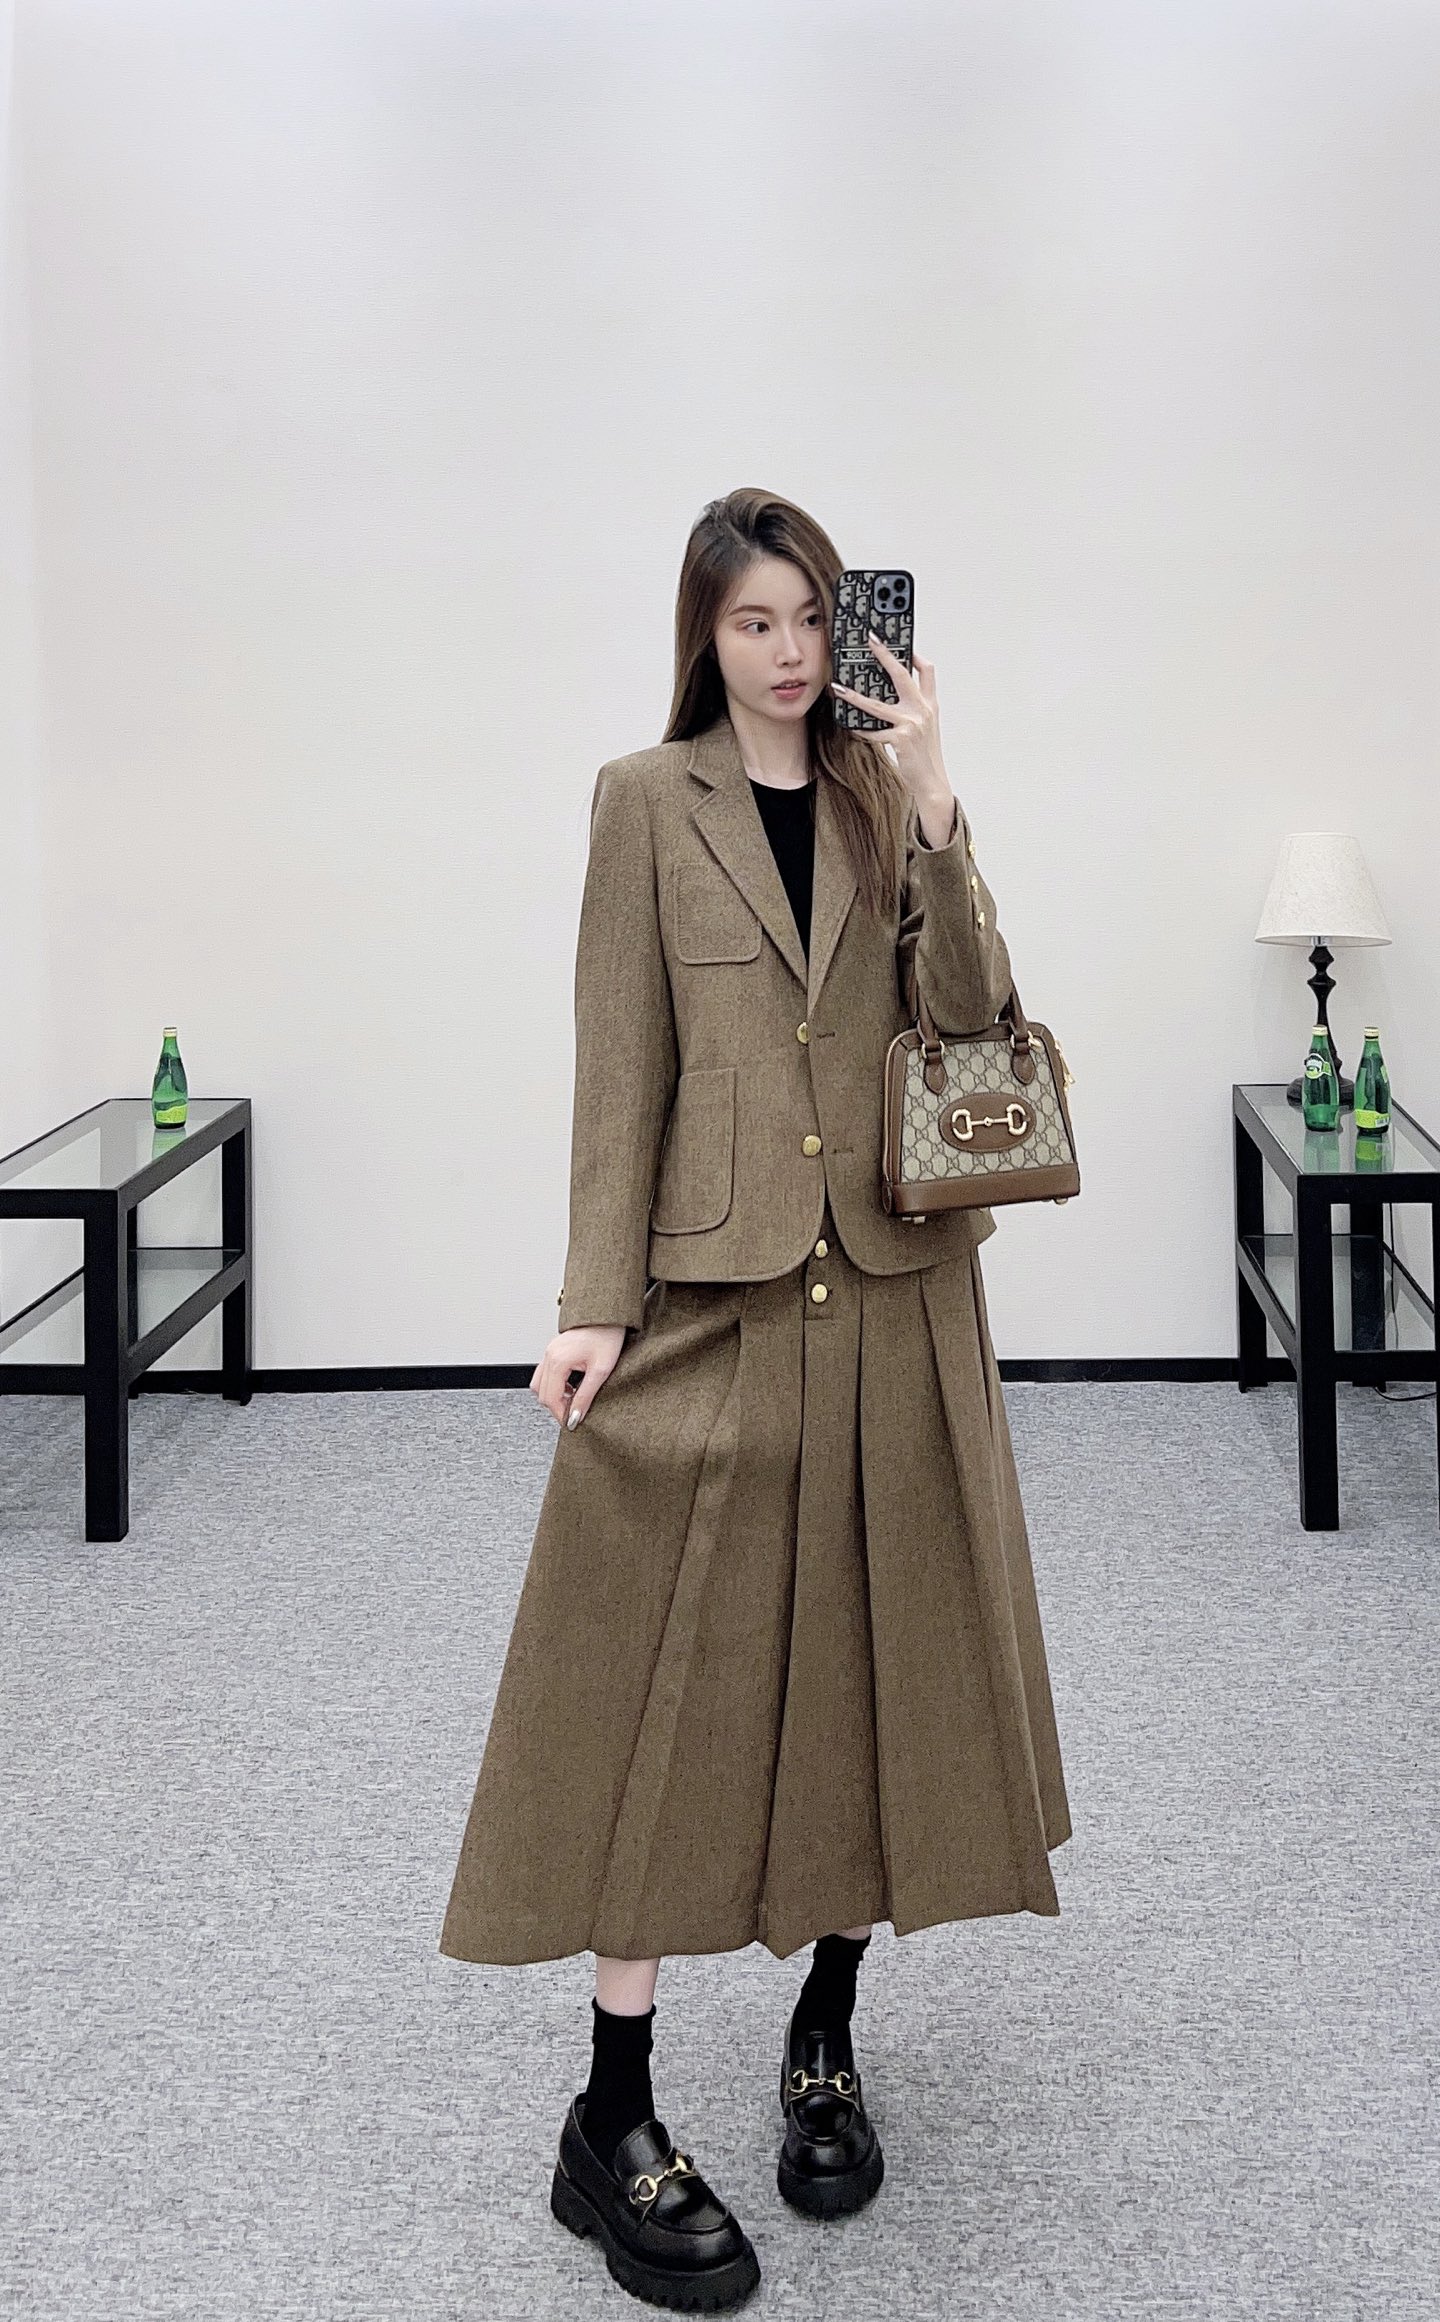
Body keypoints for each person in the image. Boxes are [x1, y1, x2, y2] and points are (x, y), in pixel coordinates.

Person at [439, 487, 1072, 2311]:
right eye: (755, 621)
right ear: (705, 636)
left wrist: (935, 793)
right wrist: (592, 1303)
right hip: (713, 1296)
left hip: (895, 1295)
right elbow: (617, 1065)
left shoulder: (888, 801)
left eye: (813, 617)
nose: (791, 653)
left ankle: (824, 2031)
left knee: (880, 1671)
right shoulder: (646, 802)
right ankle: (612, 2107)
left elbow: (977, 1016)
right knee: (650, 1690)